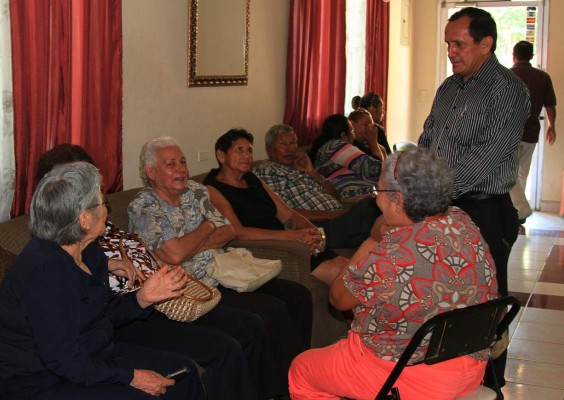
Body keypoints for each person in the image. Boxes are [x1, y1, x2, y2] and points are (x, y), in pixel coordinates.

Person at [36, 144, 280, 400]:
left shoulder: (90, 241)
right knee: (220, 350)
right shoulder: (53, 260)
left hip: (156, 298)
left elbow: (228, 230)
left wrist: (124, 274)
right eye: (97, 197)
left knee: (250, 324)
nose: (104, 205)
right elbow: (71, 343)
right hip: (134, 315)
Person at [288, 148, 498, 400]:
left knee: (302, 369)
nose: (376, 200)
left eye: (379, 191)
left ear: (398, 200)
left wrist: (373, 238)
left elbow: (338, 298)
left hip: (412, 376)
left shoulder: (395, 252)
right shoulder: (462, 221)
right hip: (469, 364)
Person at [0, 162, 205, 400]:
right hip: (40, 379)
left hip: (87, 355)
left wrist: (142, 298)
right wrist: (132, 376)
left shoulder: (88, 253)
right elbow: (63, 360)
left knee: (185, 373)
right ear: (84, 219)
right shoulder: (46, 274)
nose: (106, 208)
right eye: (101, 201)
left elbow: (101, 314)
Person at [129, 136, 312, 397]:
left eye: (182, 161)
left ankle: (301, 376)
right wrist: (206, 227)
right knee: (265, 315)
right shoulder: (143, 206)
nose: (180, 168)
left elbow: (228, 231)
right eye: (171, 164)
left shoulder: (197, 191)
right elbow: (174, 253)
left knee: (298, 295)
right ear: (150, 172)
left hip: (223, 270)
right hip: (192, 289)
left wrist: (190, 244)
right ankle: (281, 390)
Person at [417, 7, 530, 387]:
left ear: (486, 44)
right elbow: (428, 138)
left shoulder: (508, 90)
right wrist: (420, 179)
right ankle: (447, 379)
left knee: (487, 305)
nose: (451, 51)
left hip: (484, 210)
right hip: (442, 208)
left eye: (459, 44)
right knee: (444, 298)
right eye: (448, 43)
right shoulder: (449, 87)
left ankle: (490, 384)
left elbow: (485, 156)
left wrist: (430, 192)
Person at [203, 128, 350, 286]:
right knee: (340, 275)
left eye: (250, 151)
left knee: (350, 267)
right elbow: (239, 233)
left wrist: (313, 233)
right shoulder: (212, 188)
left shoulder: (252, 179)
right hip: (268, 247)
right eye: (239, 150)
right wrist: (294, 236)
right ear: (221, 155)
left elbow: (288, 214)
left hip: (289, 239)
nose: (247, 156)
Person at [254, 124, 382, 249]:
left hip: (337, 219)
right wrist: (334, 215)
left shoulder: (299, 167)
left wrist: (312, 173)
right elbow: (285, 214)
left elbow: (336, 196)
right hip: (316, 227)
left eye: (292, 143)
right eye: (283, 144)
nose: (290, 148)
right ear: (269, 148)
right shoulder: (266, 171)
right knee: (371, 206)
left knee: (377, 214)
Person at [509, 40, 557, 223]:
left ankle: (518, 209)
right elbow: (550, 106)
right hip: (530, 133)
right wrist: (552, 126)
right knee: (521, 173)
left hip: (509, 133)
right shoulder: (542, 77)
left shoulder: (507, 75)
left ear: (514, 56)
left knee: (509, 172)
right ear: (531, 56)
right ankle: (518, 211)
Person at [309, 114, 382, 199]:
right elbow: (374, 168)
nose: (353, 135)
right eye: (351, 131)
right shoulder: (336, 146)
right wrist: (373, 142)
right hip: (353, 201)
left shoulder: (326, 148)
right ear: (343, 135)